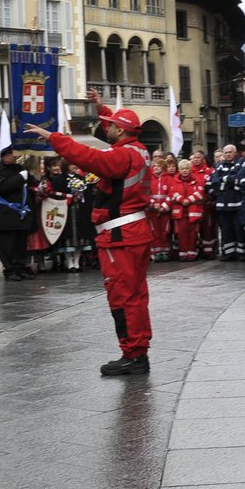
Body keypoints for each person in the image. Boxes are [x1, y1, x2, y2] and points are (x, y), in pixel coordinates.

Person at [27, 98, 155, 375]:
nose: (104, 129)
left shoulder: (122, 155)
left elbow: (91, 158)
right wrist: (103, 111)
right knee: (136, 295)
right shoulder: (139, 150)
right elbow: (115, 138)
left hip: (121, 235)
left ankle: (133, 354)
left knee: (123, 296)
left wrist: (56, 139)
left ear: (119, 131)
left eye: (109, 126)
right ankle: (137, 351)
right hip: (134, 231)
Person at [0, 146, 36, 280]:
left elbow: (31, 183)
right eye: (11, 154)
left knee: (21, 243)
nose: (14, 156)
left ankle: (20, 267)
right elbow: (1, 187)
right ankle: (9, 269)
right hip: (7, 213)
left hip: (22, 212)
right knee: (8, 243)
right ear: (4, 156)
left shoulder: (19, 169)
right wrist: (20, 178)